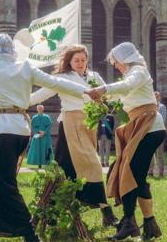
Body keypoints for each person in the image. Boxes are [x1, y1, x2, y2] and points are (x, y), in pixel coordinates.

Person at [0, 34, 89, 242]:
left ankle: (31, 236)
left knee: (5, 183)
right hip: (20, 130)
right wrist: (86, 90)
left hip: (1, 131)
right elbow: (56, 82)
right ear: (11, 50)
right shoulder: (25, 67)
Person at [30, 44, 118, 228]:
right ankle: (105, 210)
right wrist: (16, 102)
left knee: (65, 171)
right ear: (69, 61)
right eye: (76, 60)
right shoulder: (62, 78)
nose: (80, 63)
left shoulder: (94, 77)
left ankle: (51, 211)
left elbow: (107, 97)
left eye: (83, 60)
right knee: (92, 164)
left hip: (89, 126)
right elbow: (40, 95)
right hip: (70, 124)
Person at [88, 42, 166, 241]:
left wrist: (104, 89)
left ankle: (130, 223)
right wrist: (103, 98)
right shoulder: (133, 74)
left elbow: (126, 86)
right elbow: (121, 95)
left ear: (124, 58)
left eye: (115, 62)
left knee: (128, 172)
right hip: (142, 127)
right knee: (134, 176)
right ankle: (149, 224)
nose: (115, 66)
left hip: (149, 127)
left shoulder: (138, 71)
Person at [148, 91, 167, 178]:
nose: (156, 98)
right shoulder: (149, 107)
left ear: (159, 97)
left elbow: (163, 119)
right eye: (154, 96)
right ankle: (150, 172)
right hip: (150, 132)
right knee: (150, 153)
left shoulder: (162, 107)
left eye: (157, 97)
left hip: (159, 132)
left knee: (160, 154)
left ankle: (161, 173)